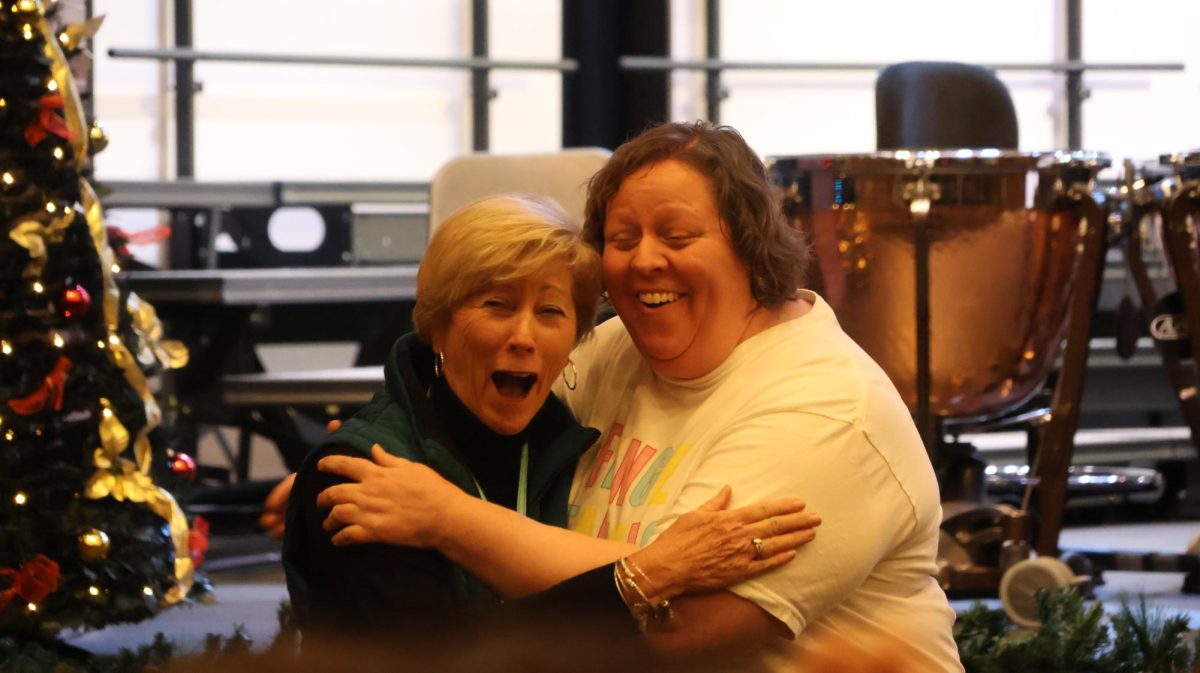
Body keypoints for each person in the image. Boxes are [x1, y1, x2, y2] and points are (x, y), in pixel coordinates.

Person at [311, 122, 964, 671]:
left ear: (748, 243)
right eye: (622, 241)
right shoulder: (608, 353)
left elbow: (688, 631)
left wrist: (450, 518)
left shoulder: (829, 407)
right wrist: (368, 449)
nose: (646, 260)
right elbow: (477, 420)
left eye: (677, 237)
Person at [281, 194, 821, 645]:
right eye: (496, 304)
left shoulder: (564, 446)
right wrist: (646, 575)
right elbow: (439, 660)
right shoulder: (362, 475)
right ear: (438, 327)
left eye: (550, 312)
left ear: (574, 344)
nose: (523, 336)